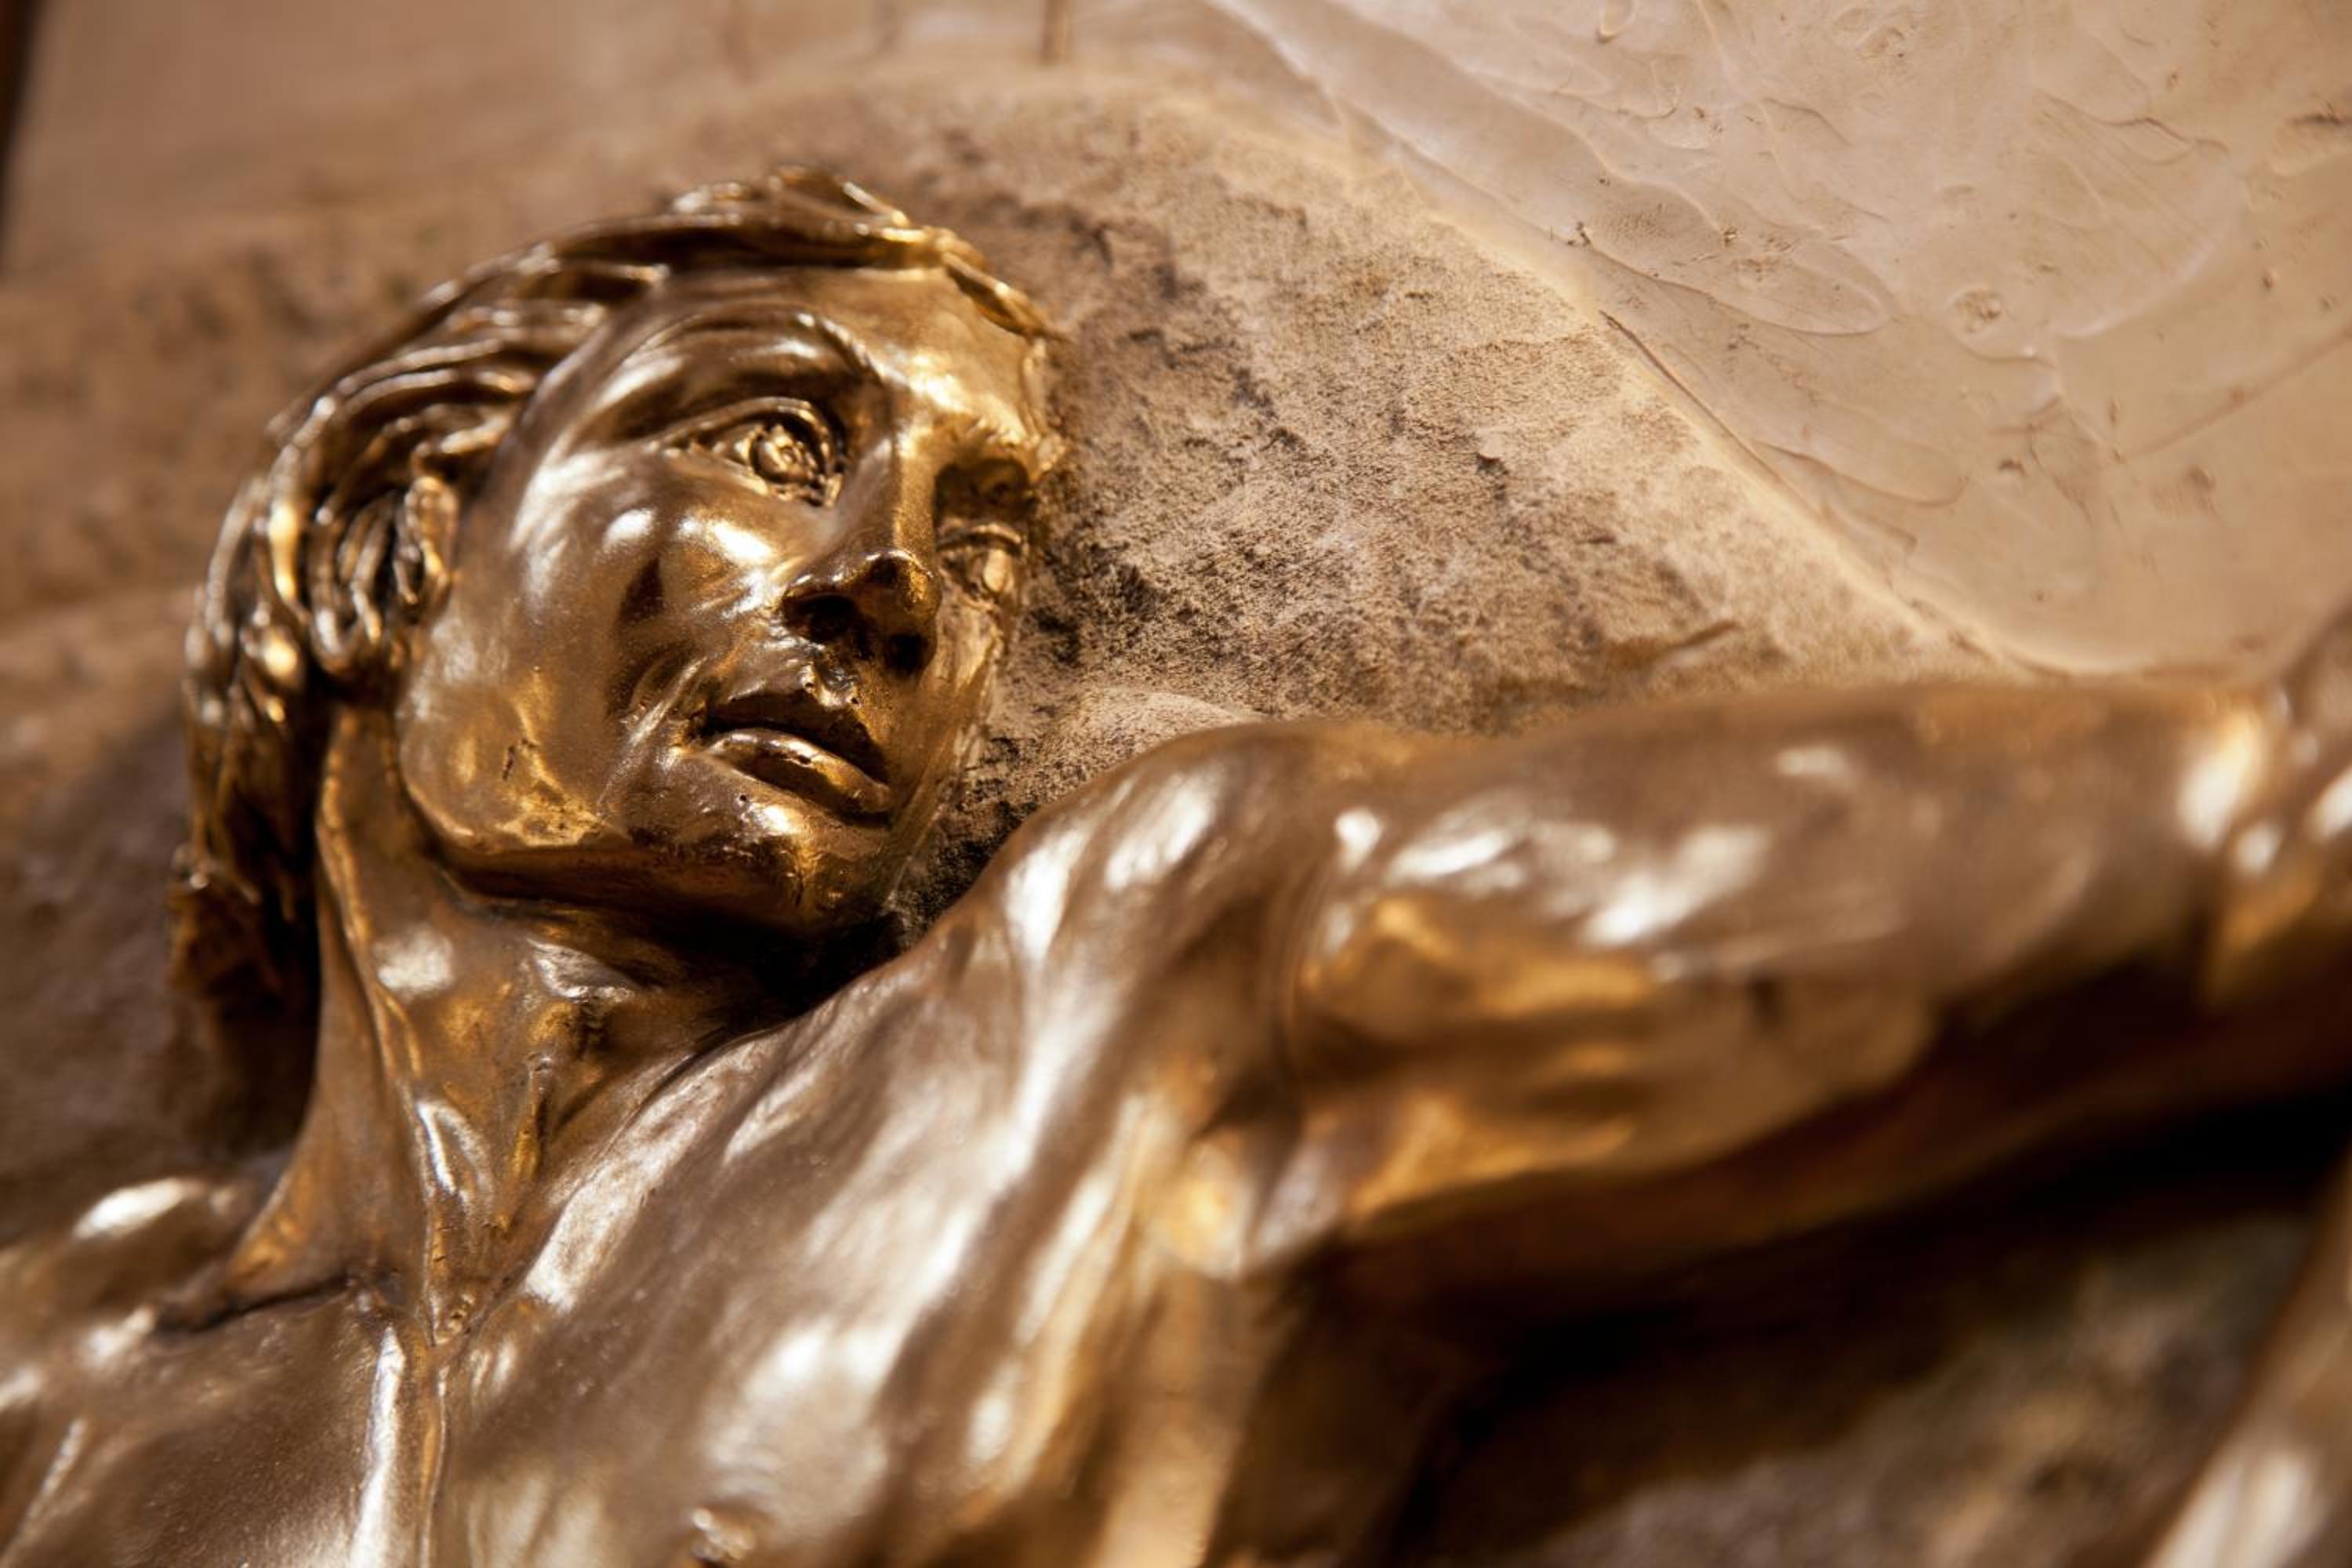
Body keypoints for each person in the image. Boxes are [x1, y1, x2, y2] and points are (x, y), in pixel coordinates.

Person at [2, 169, 2347, 1567]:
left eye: (984, 545)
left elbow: (2278, 840)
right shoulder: (48, 1393)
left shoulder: (1149, 1000)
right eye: (780, 441)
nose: (890, 585)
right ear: (406, 537)